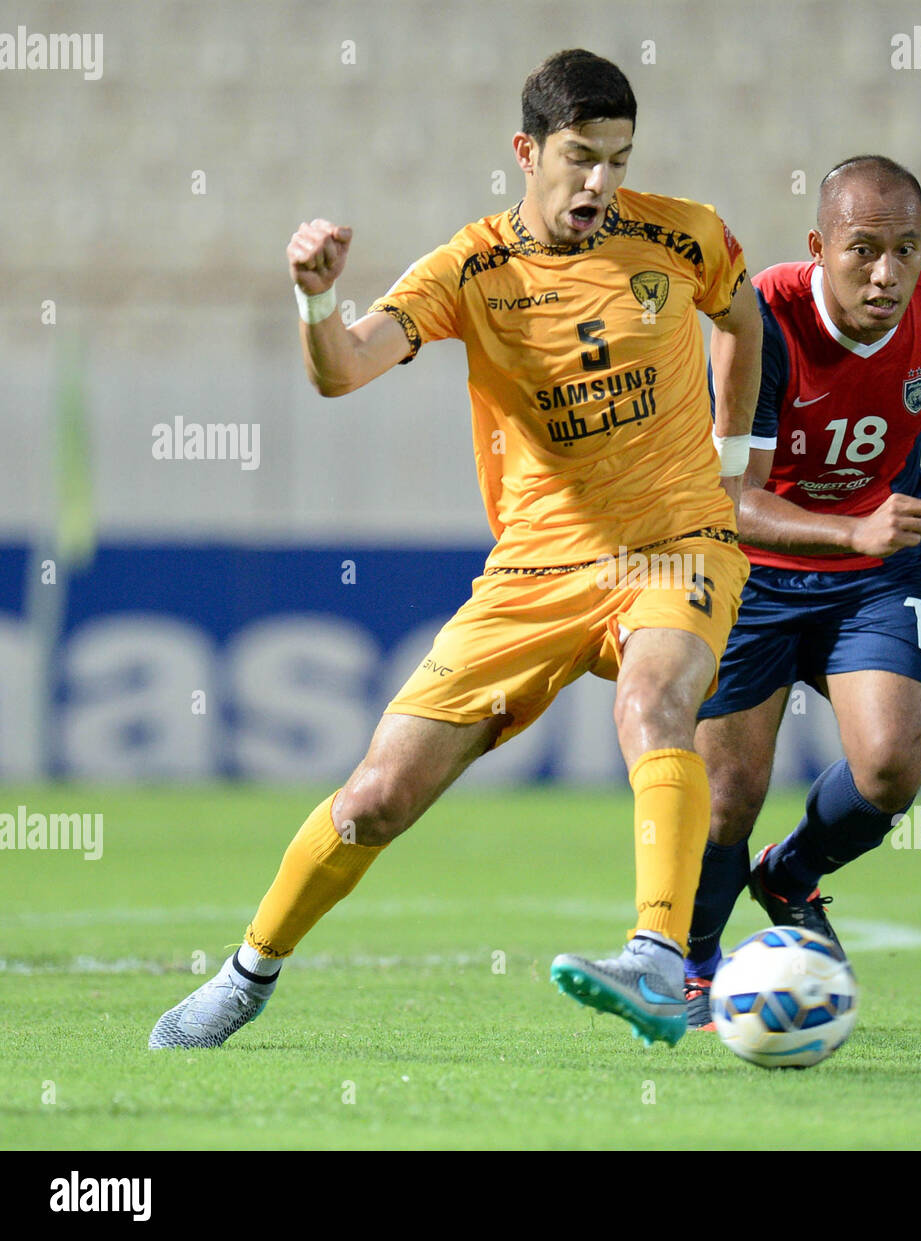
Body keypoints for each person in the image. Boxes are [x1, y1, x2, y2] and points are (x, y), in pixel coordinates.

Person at [149, 48, 760, 1051]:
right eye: (579, 159)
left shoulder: (683, 236)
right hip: (531, 573)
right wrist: (313, 300)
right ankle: (246, 973)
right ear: (525, 152)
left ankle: (657, 958)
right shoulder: (470, 270)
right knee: (374, 800)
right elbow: (343, 370)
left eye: (618, 159)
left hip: (675, 542)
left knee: (653, 702)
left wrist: (733, 468)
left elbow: (741, 319)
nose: (600, 184)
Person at [681, 155, 921, 1029]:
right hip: (752, 574)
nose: (887, 274)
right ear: (819, 246)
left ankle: (789, 874)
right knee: (725, 798)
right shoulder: (762, 325)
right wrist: (853, 529)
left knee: (895, 761)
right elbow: (731, 501)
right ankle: (695, 970)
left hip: (875, 576)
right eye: (864, 250)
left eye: (905, 249)